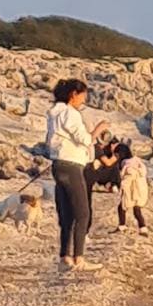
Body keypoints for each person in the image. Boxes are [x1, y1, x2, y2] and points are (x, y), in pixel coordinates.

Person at [46, 77, 95, 269]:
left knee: (66, 214)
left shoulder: (53, 114)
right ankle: (79, 258)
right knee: (82, 213)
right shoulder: (70, 113)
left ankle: (64, 257)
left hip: (58, 164)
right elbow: (83, 138)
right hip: (72, 165)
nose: (84, 100)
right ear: (74, 95)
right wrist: (97, 131)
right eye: (83, 96)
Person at [117, 143, 151, 229]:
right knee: (137, 209)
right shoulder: (137, 161)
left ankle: (122, 226)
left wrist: (122, 186)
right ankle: (142, 227)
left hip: (131, 188)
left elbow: (128, 176)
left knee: (122, 206)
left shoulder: (126, 163)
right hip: (141, 188)